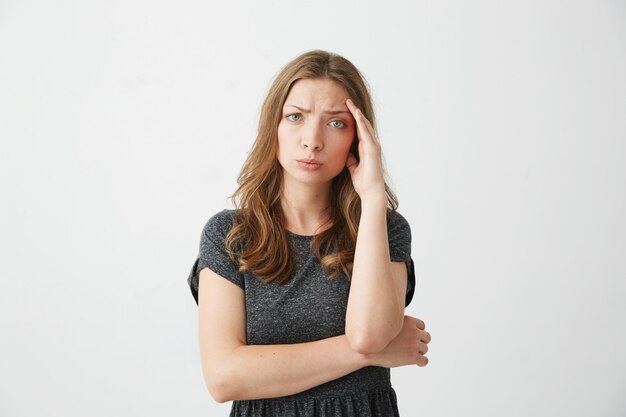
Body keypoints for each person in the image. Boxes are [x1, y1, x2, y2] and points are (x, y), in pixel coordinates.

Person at [187, 49, 431, 417]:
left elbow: (368, 334)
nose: (312, 140)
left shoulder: (384, 228)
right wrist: (368, 354)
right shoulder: (230, 234)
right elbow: (224, 377)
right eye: (296, 117)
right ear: (274, 126)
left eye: (336, 123)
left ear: (359, 137)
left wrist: (373, 197)